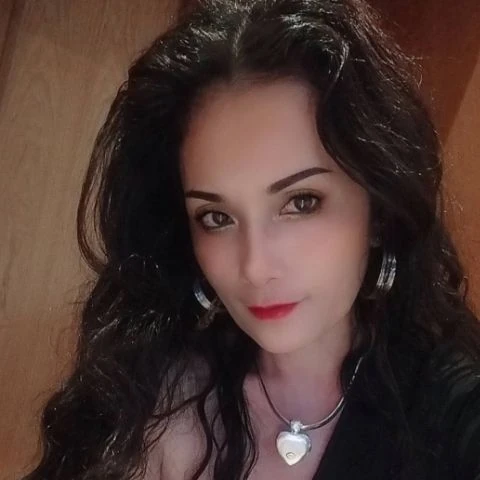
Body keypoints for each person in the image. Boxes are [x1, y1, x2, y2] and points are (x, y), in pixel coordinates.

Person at [22, 0, 480, 479]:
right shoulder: (147, 392)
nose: (255, 267)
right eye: (216, 217)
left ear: (379, 209)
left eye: (301, 202)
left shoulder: (451, 416)